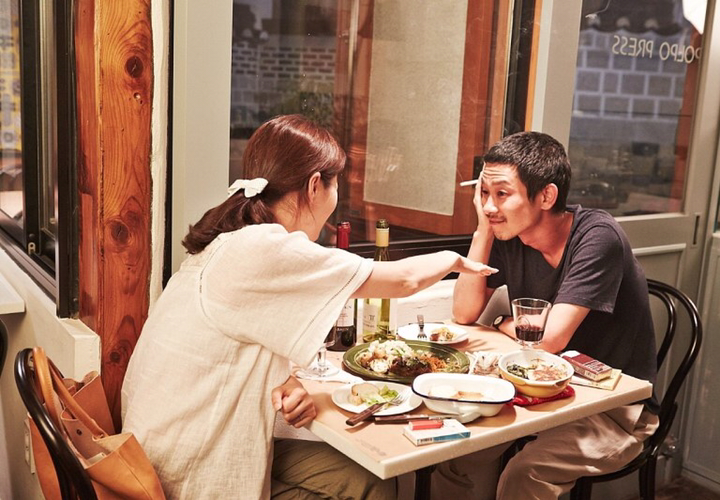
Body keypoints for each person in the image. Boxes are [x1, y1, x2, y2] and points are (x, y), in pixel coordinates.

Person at [120, 114, 496, 499]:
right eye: (336, 187)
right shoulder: (264, 248)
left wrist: (284, 382)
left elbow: (226, 343)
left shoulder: (232, 240)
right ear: (315, 185)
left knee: (366, 480)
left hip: (154, 448)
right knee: (373, 485)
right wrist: (454, 259)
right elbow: (402, 280)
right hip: (184, 471)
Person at [434, 131, 660, 499]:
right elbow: (463, 312)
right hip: (540, 393)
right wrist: (483, 230)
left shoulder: (597, 236)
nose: (489, 206)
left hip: (613, 409)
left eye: (502, 194)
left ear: (546, 196)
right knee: (452, 448)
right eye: (484, 193)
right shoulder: (509, 234)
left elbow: (549, 340)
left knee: (525, 473)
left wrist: (501, 322)